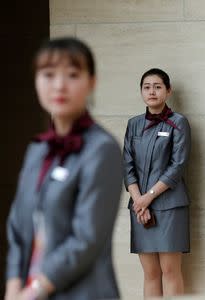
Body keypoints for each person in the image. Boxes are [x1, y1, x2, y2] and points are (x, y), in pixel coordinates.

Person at [4, 37, 123, 300]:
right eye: (48, 74)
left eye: (72, 74)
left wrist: (35, 289)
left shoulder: (102, 149)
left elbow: (87, 239)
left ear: (92, 82)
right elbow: (17, 225)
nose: (59, 85)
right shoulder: (37, 149)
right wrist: (13, 284)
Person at [123, 68, 191, 297]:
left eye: (157, 86)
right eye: (146, 87)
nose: (151, 91)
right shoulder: (133, 124)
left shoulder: (179, 122)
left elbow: (177, 167)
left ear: (168, 91)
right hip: (139, 207)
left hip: (170, 205)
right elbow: (127, 166)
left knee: (170, 270)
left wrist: (147, 197)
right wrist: (138, 201)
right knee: (150, 272)